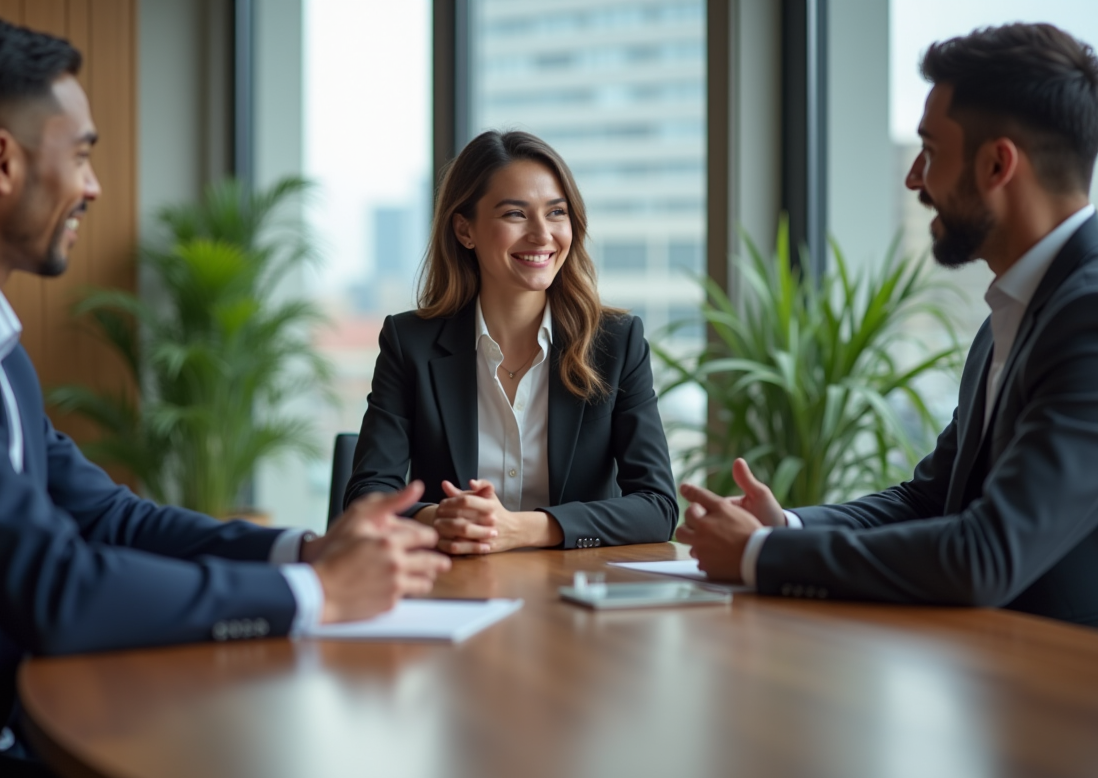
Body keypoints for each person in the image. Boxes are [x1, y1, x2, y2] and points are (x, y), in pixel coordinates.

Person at [0, 14, 450, 778]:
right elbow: (57, 589)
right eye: (81, 155)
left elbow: (106, 517)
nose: (92, 186)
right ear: (2, 160)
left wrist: (302, 552)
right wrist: (317, 596)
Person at [677, 23, 1098, 627]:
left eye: (930, 151)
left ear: (998, 164)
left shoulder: (1086, 315)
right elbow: (929, 499)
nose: (913, 178)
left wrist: (761, 554)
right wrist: (786, 525)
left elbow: (986, 553)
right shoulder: (1015, 315)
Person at [345, 131, 678, 554]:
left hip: (576, 597)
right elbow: (366, 497)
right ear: (465, 230)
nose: (542, 235)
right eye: (516, 215)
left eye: (556, 212)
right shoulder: (410, 343)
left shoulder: (616, 342)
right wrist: (442, 519)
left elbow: (658, 507)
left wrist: (527, 528)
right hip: (454, 589)